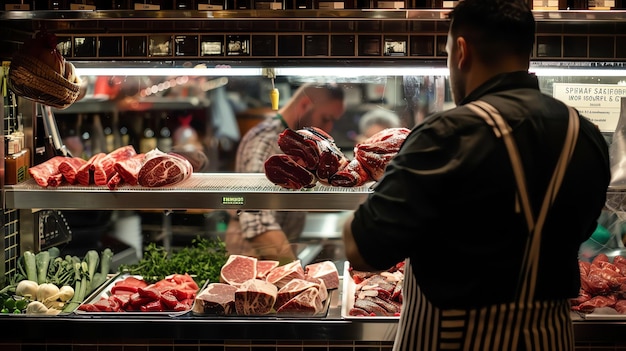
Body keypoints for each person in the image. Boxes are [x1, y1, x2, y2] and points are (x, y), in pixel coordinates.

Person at [342, 1, 610, 350]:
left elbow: (365, 249)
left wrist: (353, 219)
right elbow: (584, 228)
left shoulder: (449, 132)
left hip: (454, 337)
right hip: (549, 337)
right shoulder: (585, 133)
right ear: (526, 52)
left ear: (462, 51)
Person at [228, 83, 346, 264]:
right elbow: (256, 220)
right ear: (305, 105)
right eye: (325, 118)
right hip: (257, 256)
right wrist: (296, 274)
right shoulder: (266, 140)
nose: (328, 128)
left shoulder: (301, 144)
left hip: (277, 255)